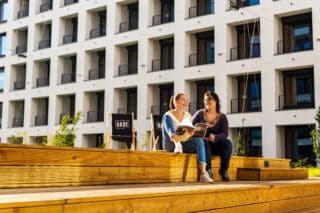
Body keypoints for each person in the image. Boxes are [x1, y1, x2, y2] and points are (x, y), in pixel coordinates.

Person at [162, 93, 213, 183]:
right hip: (171, 145)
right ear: (176, 102)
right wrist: (177, 142)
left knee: (199, 139)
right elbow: (170, 131)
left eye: (187, 100)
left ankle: (204, 173)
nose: (186, 102)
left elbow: (188, 132)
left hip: (184, 143)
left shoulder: (188, 115)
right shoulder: (168, 115)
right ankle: (177, 144)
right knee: (173, 133)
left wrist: (192, 132)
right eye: (183, 99)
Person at [192, 91, 232, 181]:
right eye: (206, 99)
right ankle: (208, 170)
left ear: (216, 101)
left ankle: (223, 170)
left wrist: (215, 137)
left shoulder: (222, 117)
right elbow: (191, 128)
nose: (207, 101)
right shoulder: (199, 114)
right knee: (204, 142)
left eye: (210, 99)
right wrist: (205, 129)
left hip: (216, 144)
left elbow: (225, 133)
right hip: (202, 144)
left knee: (227, 143)